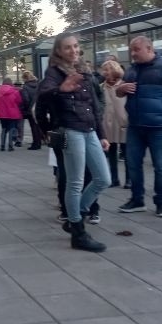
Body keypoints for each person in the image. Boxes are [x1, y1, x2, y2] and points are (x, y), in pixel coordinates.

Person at [36, 32, 110, 252]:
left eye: (76, 46)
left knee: (103, 179)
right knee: (75, 182)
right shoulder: (54, 73)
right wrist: (61, 89)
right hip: (70, 131)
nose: (73, 51)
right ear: (59, 51)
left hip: (89, 131)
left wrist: (102, 134)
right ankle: (78, 233)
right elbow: (43, 97)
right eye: (68, 47)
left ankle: (76, 216)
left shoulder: (84, 71)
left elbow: (95, 107)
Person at [116, 36, 162, 218]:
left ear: (149, 48)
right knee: (133, 164)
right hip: (136, 125)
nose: (133, 54)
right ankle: (137, 199)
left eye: (136, 50)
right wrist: (122, 88)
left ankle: (161, 203)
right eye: (131, 50)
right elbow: (118, 92)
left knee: (161, 166)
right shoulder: (132, 70)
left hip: (161, 126)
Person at [100, 60, 127, 188]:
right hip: (108, 123)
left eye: (107, 69)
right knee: (111, 152)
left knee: (127, 153)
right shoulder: (101, 87)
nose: (105, 73)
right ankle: (114, 178)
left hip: (123, 122)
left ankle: (129, 179)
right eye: (104, 70)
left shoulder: (124, 85)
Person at [0, 77, 23, 151]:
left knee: (4, 129)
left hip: (2, 113)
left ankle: (2, 146)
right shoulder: (14, 91)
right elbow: (19, 101)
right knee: (12, 129)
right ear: (10, 83)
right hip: (12, 113)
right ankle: (10, 146)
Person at [20, 71, 43, 150]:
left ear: (25, 78)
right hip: (39, 108)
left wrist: (26, 108)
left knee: (33, 127)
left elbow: (25, 99)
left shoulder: (25, 87)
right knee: (38, 126)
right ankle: (39, 142)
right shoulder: (39, 84)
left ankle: (35, 143)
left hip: (30, 110)